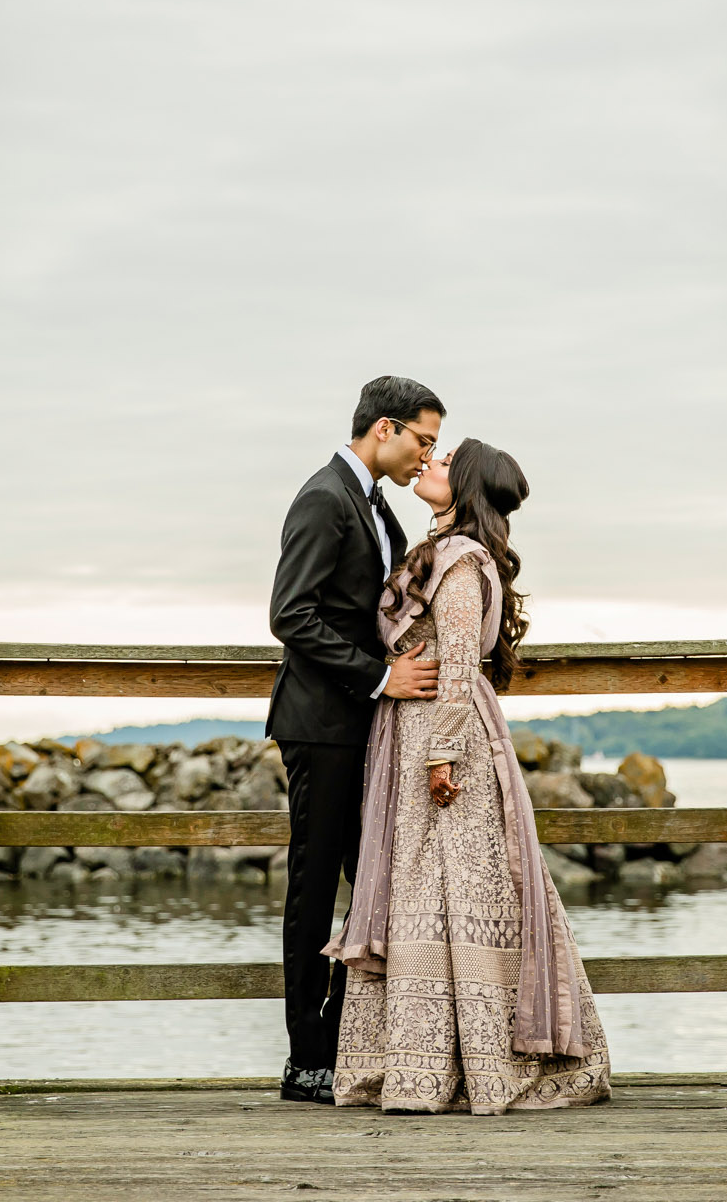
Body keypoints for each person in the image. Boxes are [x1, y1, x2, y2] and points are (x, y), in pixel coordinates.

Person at [324, 440, 611, 1114]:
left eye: (446, 461)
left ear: (469, 487)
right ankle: (423, 1064)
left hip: (443, 743)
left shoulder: (462, 561)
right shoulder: (441, 551)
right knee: (424, 892)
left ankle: (483, 1064)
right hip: (414, 731)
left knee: (457, 890)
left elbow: (456, 665)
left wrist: (441, 755)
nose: (431, 464)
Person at [267, 375, 446, 1105]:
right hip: (322, 725)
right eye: (422, 441)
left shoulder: (373, 507)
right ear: (384, 429)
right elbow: (290, 615)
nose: (424, 456)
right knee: (314, 890)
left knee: (374, 882)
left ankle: (346, 1043)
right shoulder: (322, 498)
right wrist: (380, 678)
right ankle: (306, 1060)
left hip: (360, 728)